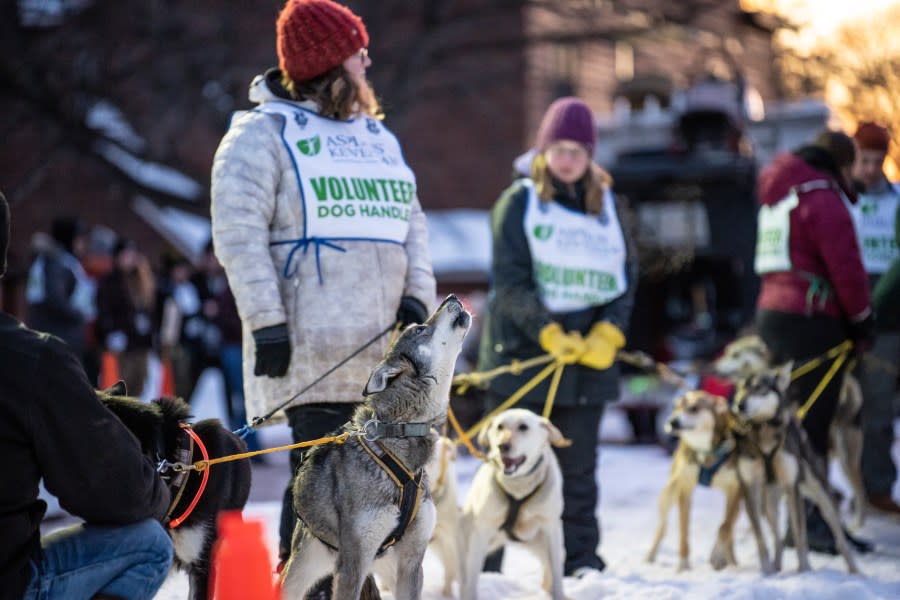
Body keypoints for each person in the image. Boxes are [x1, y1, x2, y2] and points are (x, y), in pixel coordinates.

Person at [210, 0, 436, 591]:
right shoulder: (260, 136)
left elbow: (413, 226)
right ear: (331, 62)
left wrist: (417, 301)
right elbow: (238, 235)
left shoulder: (377, 138)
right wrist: (266, 324)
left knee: (385, 489)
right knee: (322, 488)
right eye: (358, 50)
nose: (368, 59)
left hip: (385, 354)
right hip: (311, 352)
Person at [476, 96, 638, 577]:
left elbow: (626, 275)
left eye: (578, 151)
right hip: (524, 357)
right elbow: (510, 282)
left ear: (590, 156)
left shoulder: (609, 207)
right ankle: (486, 569)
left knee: (579, 471)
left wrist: (611, 329)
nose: (568, 159)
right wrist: (546, 331)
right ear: (544, 149)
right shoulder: (519, 202)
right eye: (559, 148)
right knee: (502, 470)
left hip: (586, 362)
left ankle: (581, 563)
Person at [0, 191, 173, 600]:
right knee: (148, 543)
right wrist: (156, 488)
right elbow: (114, 488)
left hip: (95, 349)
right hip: (9, 581)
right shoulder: (30, 357)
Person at [754, 130, 874, 553]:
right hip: (812, 318)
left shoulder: (778, 193)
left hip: (771, 316)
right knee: (813, 425)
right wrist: (861, 322)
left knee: (787, 423)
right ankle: (814, 523)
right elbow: (846, 267)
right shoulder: (822, 197)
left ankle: (796, 519)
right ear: (841, 164)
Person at [849, 122, 900, 515]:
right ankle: (860, 485)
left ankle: (877, 487)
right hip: (847, 310)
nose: (869, 169)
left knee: (879, 406)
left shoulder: (897, 198)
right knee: (858, 407)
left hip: (888, 316)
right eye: (863, 160)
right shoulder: (842, 199)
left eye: (876, 161)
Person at [25, 215, 95, 365]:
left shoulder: (60, 261)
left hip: (57, 338)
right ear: (69, 238)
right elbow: (56, 300)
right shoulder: (57, 264)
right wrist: (80, 315)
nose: (83, 245)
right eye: (79, 239)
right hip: (58, 337)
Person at [95, 238, 157, 398]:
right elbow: (103, 310)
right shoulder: (109, 282)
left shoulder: (141, 280)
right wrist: (110, 331)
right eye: (126, 254)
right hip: (122, 345)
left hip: (140, 342)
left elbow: (149, 309)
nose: (130, 258)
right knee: (121, 386)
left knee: (140, 384)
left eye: (132, 254)